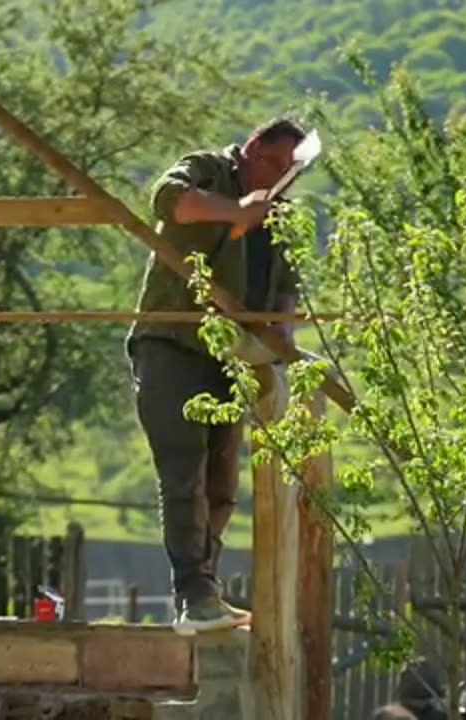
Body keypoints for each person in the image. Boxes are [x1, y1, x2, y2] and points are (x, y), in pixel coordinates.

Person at [126, 116, 307, 635]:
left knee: (221, 484)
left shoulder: (280, 213)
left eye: (288, 171)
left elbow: (286, 285)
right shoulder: (210, 170)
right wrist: (235, 212)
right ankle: (195, 594)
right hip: (173, 345)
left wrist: (281, 337)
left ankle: (206, 587)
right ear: (253, 148)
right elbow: (168, 198)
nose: (276, 179)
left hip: (231, 357)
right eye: (273, 164)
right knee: (184, 472)